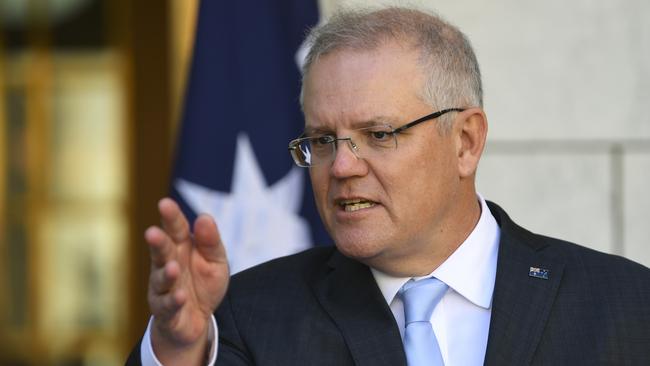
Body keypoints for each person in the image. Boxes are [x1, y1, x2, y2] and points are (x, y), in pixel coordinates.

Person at [127, 6, 650, 366]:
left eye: (378, 134)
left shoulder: (625, 304)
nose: (341, 167)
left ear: (465, 142)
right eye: (323, 140)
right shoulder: (246, 318)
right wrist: (178, 351)